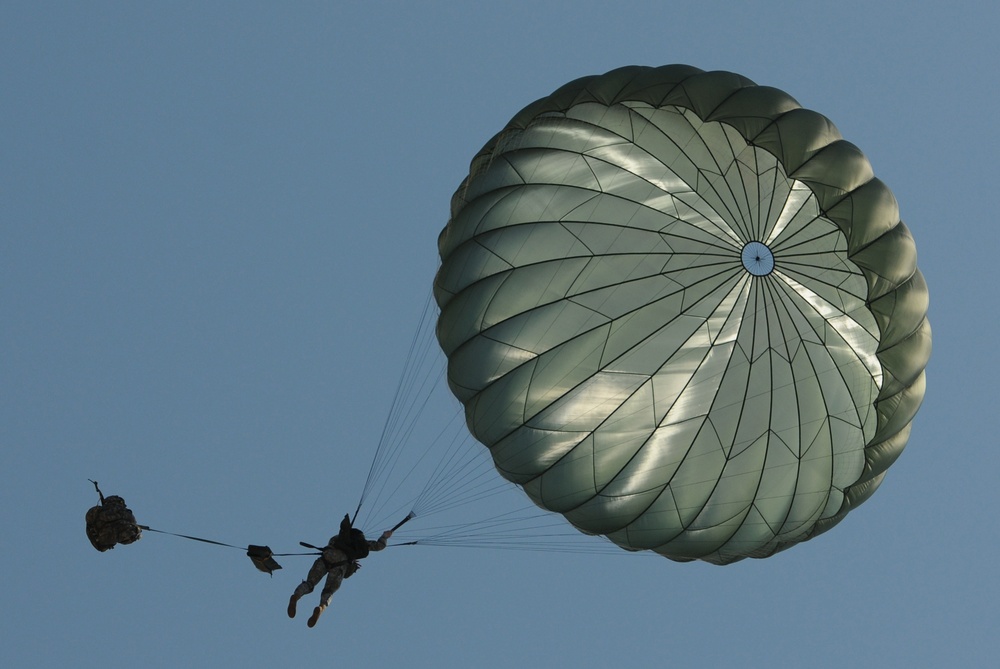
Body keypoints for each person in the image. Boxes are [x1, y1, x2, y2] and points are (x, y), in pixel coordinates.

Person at [288, 514, 393, 628]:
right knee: (328, 591)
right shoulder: (362, 545)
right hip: (340, 565)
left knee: (310, 583)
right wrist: (384, 537)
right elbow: (379, 546)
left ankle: (296, 596)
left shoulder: (336, 538)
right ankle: (321, 607)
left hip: (325, 558)